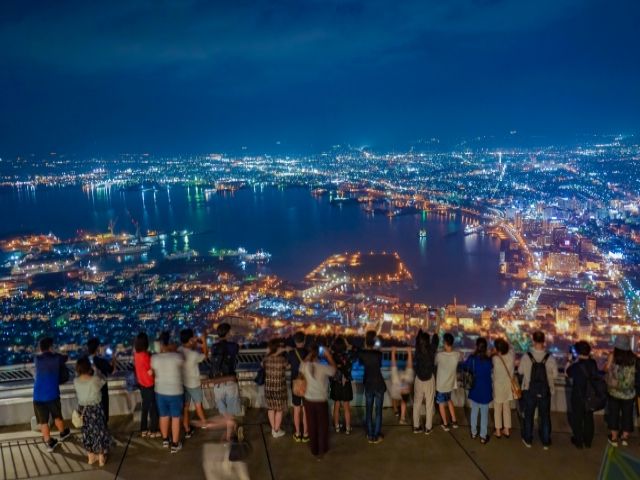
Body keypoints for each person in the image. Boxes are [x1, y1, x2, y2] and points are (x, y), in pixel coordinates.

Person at [518, 331, 558, 449]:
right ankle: (545, 441)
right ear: (544, 341)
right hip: (545, 391)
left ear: (533, 340)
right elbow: (555, 375)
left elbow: (520, 371)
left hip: (529, 390)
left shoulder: (526, 356)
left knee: (529, 415)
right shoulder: (550, 358)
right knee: (545, 416)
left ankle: (528, 439)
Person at [33, 337, 71, 452]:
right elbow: (65, 357)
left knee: (43, 421)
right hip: (52, 394)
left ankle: (49, 442)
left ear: (40, 348)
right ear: (50, 347)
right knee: (57, 415)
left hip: (38, 395)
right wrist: (58, 351)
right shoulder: (56, 358)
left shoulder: (37, 359)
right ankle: (63, 433)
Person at [74, 356, 111, 467]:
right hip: (95, 409)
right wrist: (96, 370)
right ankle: (101, 458)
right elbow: (104, 380)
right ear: (89, 367)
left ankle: (91, 457)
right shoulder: (94, 380)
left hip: (83, 410)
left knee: (87, 433)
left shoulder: (76, 381)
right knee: (99, 432)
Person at [151, 331, 185, 453]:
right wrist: (173, 350)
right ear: (170, 343)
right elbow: (182, 362)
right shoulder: (177, 357)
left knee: (163, 415)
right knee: (175, 417)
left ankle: (165, 439)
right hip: (175, 391)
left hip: (160, 391)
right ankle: (175, 444)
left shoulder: (155, 358)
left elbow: (154, 372)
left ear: (160, 345)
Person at [301, 344, 336, 459]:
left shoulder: (305, 366)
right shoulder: (323, 367)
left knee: (312, 425)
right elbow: (334, 370)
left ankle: (314, 449)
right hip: (321, 400)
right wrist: (328, 355)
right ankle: (323, 449)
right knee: (322, 426)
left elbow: (302, 364)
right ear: (320, 356)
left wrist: (310, 353)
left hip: (308, 400)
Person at [209, 322, 241, 441]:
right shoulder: (233, 346)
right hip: (230, 381)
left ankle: (229, 433)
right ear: (227, 333)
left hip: (217, 383)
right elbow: (236, 351)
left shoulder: (214, 347)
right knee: (231, 412)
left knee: (224, 412)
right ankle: (230, 435)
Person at [605, 335, 637, 447]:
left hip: (614, 391)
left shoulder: (612, 356)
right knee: (627, 414)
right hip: (629, 392)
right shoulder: (634, 358)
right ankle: (624, 438)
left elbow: (606, 369)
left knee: (613, 413)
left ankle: (614, 438)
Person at [566, 340, 598, 449]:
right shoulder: (593, 363)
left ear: (578, 353)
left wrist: (570, 360)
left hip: (578, 396)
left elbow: (567, 373)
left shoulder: (576, 366)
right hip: (590, 396)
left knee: (577, 418)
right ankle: (588, 441)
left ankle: (578, 441)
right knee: (589, 418)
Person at [357, 331, 386, 443]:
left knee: (368, 410)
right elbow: (379, 365)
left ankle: (370, 435)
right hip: (379, 384)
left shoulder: (362, 354)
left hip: (368, 384)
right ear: (375, 341)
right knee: (378, 411)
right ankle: (377, 434)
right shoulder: (378, 354)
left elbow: (360, 361)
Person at [179, 328, 208, 439]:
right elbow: (205, 355)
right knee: (198, 405)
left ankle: (187, 429)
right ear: (190, 339)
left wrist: (194, 341)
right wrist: (204, 342)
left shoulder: (179, 350)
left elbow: (190, 347)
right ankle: (204, 423)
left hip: (183, 383)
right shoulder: (193, 354)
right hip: (194, 383)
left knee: (185, 407)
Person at [463, 337, 493, 443]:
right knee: (484, 414)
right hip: (485, 390)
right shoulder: (489, 361)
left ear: (476, 346)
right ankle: (483, 436)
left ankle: (473, 432)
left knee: (474, 412)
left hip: (475, 389)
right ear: (485, 348)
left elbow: (464, 366)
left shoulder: (472, 359)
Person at [134, 332, 160, 438]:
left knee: (145, 408)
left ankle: (144, 429)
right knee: (153, 408)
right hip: (149, 384)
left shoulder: (136, 354)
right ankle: (153, 431)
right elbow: (151, 370)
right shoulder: (146, 356)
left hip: (141, 384)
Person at [413, 330, 439, 434]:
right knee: (429, 404)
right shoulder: (431, 350)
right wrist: (436, 333)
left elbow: (416, 340)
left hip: (419, 379)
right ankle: (428, 428)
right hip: (429, 379)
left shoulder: (417, 350)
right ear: (428, 341)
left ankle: (416, 426)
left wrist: (419, 331)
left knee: (417, 403)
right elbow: (436, 341)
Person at [435, 332, 461, 431]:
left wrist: (442, 351)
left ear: (445, 343)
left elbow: (435, 363)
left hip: (441, 385)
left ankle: (445, 424)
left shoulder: (440, 355)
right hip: (450, 384)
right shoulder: (456, 355)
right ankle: (454, 421)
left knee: (441, 403)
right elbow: (458, 354)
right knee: (449, 400)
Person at [263, 338, 289, 438]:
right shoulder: (282, 360)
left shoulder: (266, 359)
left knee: (271, 408)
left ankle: (274, 429)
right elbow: (288, 367)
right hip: (279, 388)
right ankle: (276, 430)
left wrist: (268, 353)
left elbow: (262, 365)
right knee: (279, 409)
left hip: (268, 388)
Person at [286, 331, 309, 442]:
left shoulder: (291, 353)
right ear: (304, 341)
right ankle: (305, 434)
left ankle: (297, 433)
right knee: (305, 410)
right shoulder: (308, 353)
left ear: (295, 341)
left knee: (296, 409)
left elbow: (287, 365)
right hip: (306, 384)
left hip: (295, 383)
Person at [86, 338, 115, 426]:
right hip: (101, 388)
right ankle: (103, 428)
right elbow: (112, 371)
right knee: (103, 408)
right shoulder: (101, 361)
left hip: (89, 389)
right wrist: (113, 359)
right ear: (97, 348)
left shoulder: (85, 361)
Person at [329, 336, 354, 434]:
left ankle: (337, 427)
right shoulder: (348, 356)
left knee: (336, 405)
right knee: (346, 406)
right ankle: (348, 428)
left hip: (336, 383)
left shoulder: (332, 356)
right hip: (346, 383)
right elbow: (349, 367)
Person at [492, 338, 515, 438]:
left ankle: (498, 431)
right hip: (508, 387)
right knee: (507, 408)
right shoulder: (511, 356)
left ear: (497, 349)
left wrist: (494, 353)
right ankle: (506, 430)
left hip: (498, 387)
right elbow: (511, 347)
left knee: (497, 410)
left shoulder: (496, 359)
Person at [390, 346, 414, 425]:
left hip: (397, 387)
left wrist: (393, 352)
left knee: (397, 370)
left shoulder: (395, 393)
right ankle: (402, 418)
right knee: (408, 370)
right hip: (403, 386)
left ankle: (396, 410)